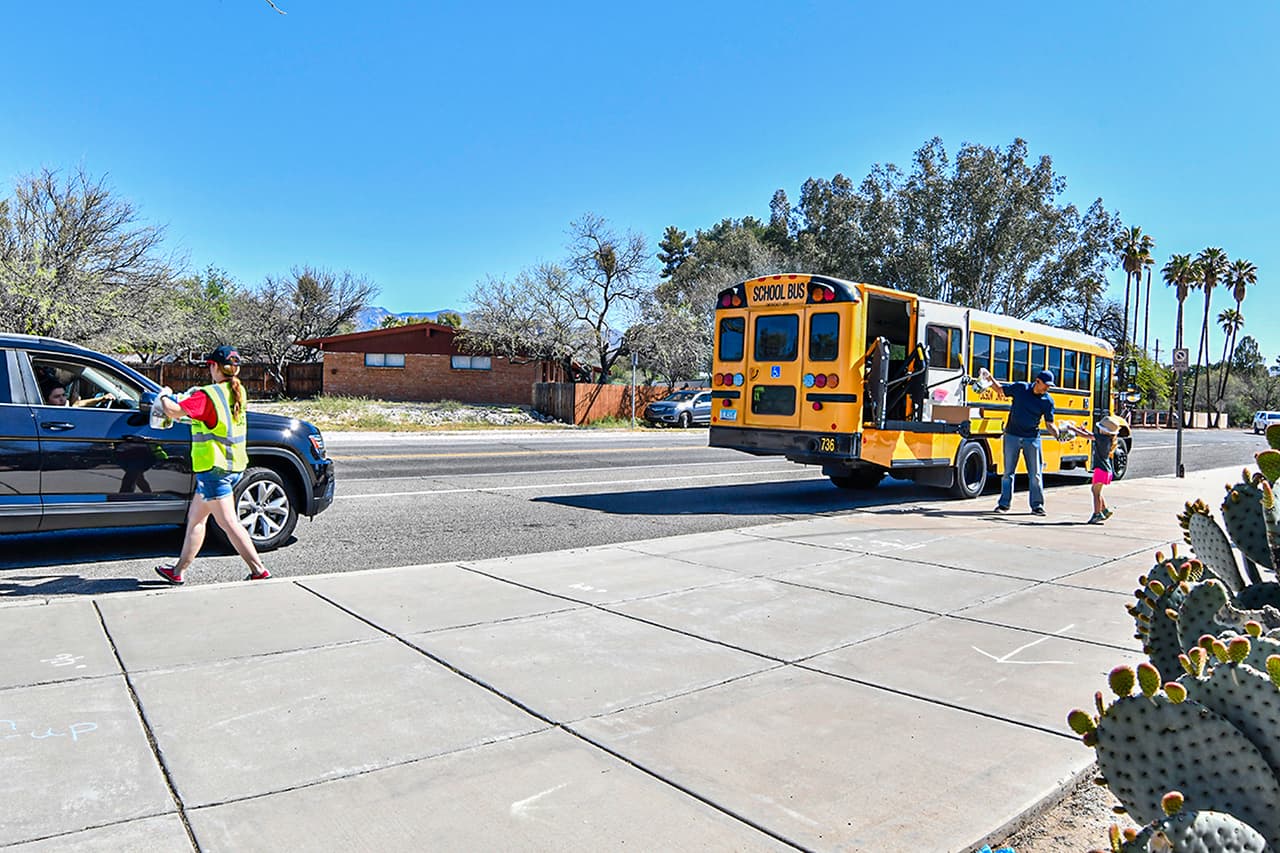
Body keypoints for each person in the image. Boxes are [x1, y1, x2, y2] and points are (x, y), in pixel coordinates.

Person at [153, 345, 270, 584]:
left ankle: (259, 570)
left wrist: (164, 395)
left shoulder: (208, 395)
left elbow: (173, 411)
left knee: (229, 523)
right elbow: (207, 418)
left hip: (214, 470)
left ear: (213, 366)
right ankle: (177, 571)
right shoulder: (237, 391)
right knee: (196, 520)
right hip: (231, 466)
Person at [980, 367, 1057, 516]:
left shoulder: (1048, 401)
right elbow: (1000, 390)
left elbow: (1049, 423)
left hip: (1032, 438)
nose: (1047, 388)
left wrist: (1057, 434)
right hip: (1012, 436)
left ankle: (1037, 505)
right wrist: (989, 377)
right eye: (1045, 385)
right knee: (1008, 472)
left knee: (1035, 474)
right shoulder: (1021, 388)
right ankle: (1004, 504)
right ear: (1037, 381)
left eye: (1049, 386)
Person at [1064, 415, 1121, 524]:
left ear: (1104, 430)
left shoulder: (1102, 438)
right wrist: (1083, 430)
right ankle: (1104, 510)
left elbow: (1086, 436)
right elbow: (1089, 434)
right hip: (1105, 470)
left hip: (1101, 469)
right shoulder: (1107, 439)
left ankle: (1097, 514)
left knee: (1096, 493)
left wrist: (1072, 428)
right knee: (1097, 491)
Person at [45, 384, 115, 407]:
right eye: (57, 397)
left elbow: (78, 404)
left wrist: (101, 399)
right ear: (46, 401)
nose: (62, 399)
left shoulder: (65, 407)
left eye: (63, 395)